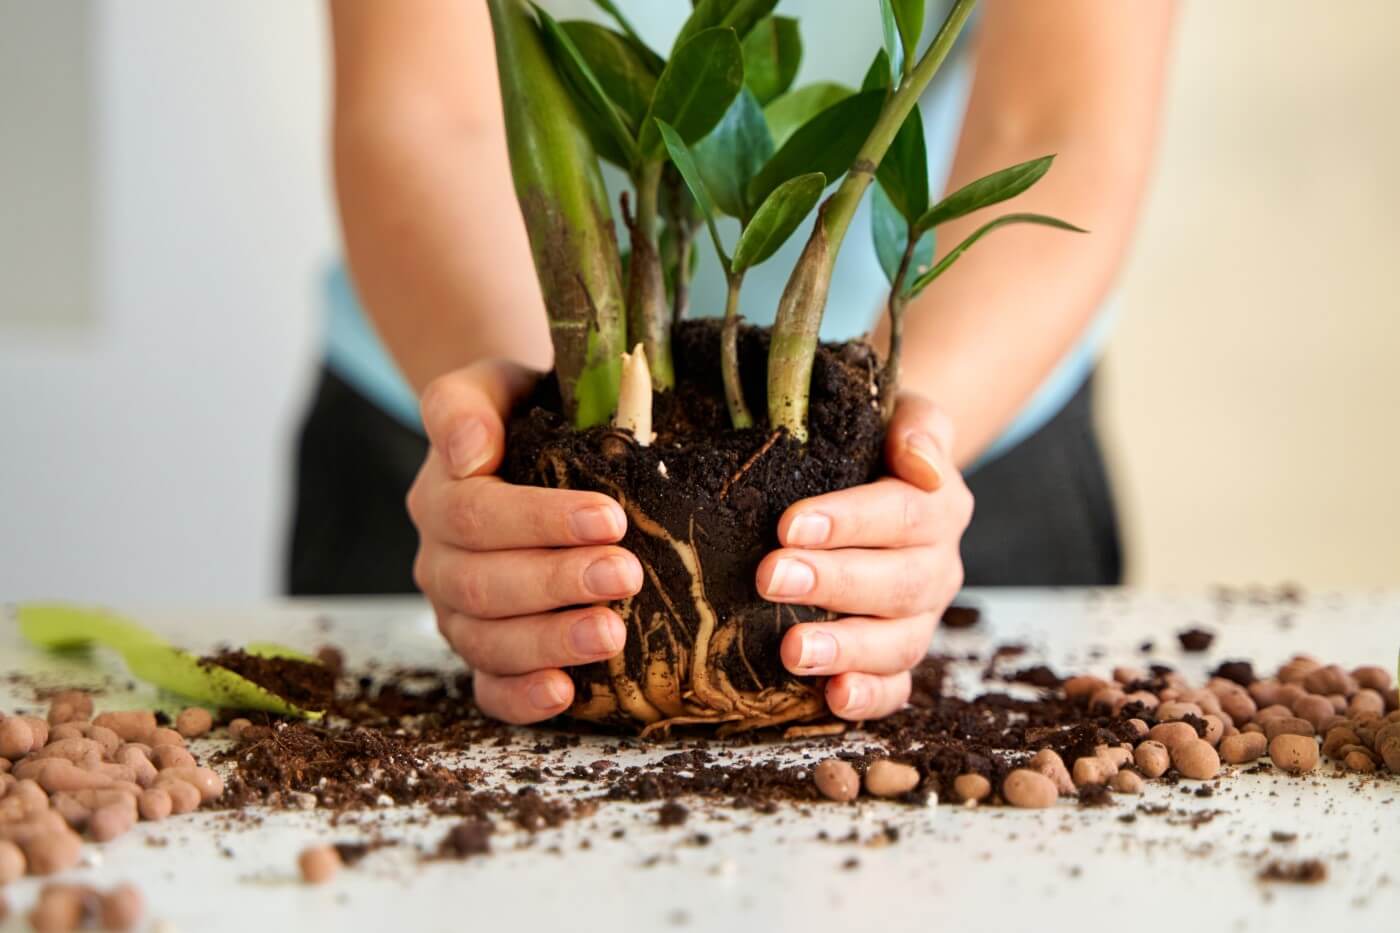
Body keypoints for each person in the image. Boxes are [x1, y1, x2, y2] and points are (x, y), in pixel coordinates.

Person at [295, 0, 1174, 725]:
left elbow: (1059, 120)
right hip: (448, 433)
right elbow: (429, 112)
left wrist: (895, 455)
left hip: (971, 421)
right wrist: (527, 437)